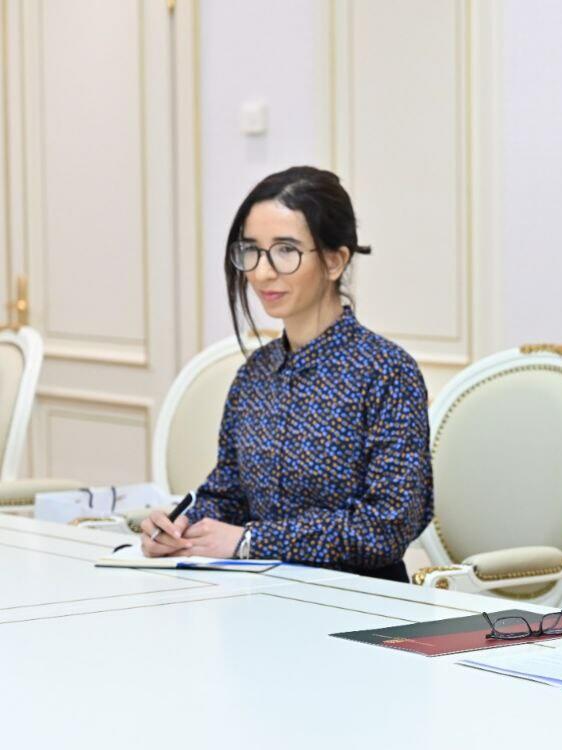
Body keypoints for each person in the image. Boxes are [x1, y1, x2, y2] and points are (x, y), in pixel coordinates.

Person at [141, 166, 433, 583]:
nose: (261, 273)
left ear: (335, 261)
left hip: (358, 602)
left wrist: (251, 541)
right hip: (257, 596)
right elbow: (228, 494)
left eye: (285, 250)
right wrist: (178, 527)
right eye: (252, 251)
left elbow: (385, 527)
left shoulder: (387, 372)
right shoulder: (255, 374)